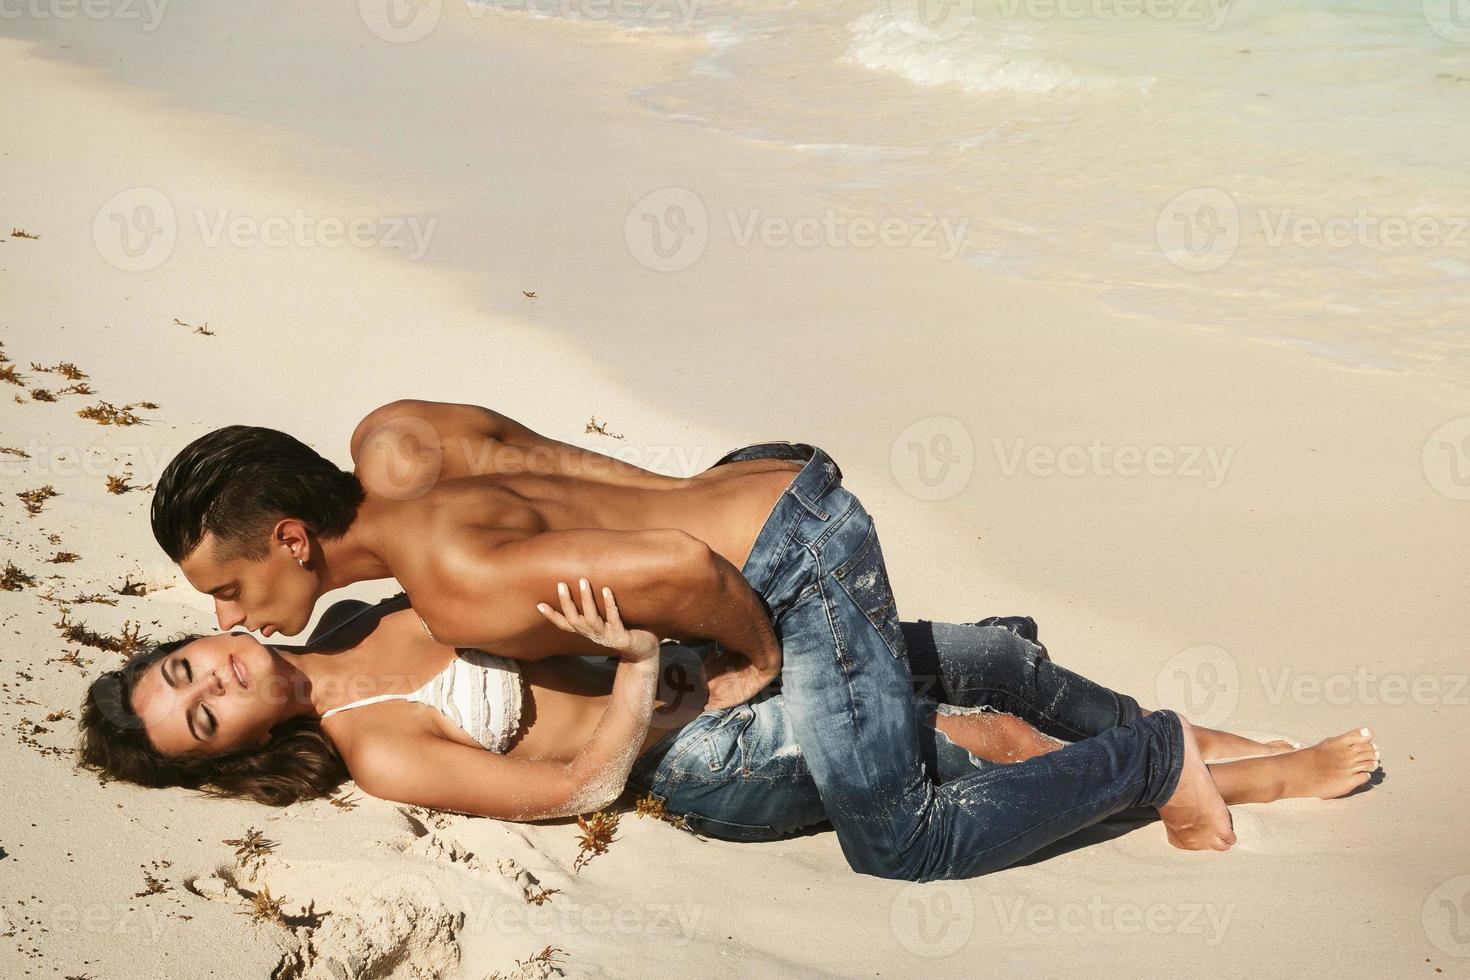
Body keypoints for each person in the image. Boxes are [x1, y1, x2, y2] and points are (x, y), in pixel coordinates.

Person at [147, 402, 1375, 879]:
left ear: (295, 535)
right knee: (962, 675)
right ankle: (1245, 753)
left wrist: (761, 657)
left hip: (782, 545)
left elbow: (681, 568)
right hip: (763, 477)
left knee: (901, 835)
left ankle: (1158, 758)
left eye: (231, 583)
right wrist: (702, 497)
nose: (228, 617)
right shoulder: (393, 442)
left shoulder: (453, 590)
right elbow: (592, 478)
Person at [76, 586, 1379, 843]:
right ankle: (1218, 781)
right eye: (197, 720)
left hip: (700, 673)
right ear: (232, 754)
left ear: (217, 636)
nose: (212, 690)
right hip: (692, 754)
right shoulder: (375, 745)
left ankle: (1214, 739)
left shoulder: (361, 609)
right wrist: (642, 668)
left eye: (186, 670)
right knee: (968, 734)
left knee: (978, 650)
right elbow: (561, 789)